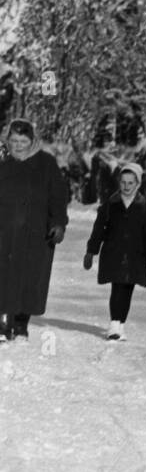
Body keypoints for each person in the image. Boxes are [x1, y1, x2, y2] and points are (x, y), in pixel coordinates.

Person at [0, 119, 71, 343]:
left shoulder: (46, 163)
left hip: (36, 233)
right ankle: (4, 324)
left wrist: (58, 223)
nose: (18, 145)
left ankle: (21, 324)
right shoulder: (3, 162)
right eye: (13, 140)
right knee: (3, 276)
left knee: (30, 279)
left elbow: (58, 197)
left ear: (32, 140)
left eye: (23, 140)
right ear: (6, 140)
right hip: (4, 232)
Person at [82, 162, 146, 341]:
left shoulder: (144, 207)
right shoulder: (111, 204)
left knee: (127, 289)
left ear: (138, 184)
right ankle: (114, 324)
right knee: (117, 287)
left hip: (135, 256)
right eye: (123, 182)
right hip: (114, 252)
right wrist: (91, 251)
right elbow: (99, 228)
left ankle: (121, 324)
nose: (126, 186)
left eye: (130, 183)